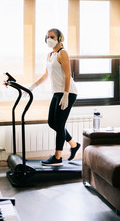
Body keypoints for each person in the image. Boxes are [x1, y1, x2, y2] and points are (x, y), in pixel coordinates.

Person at [28, 28, 80, 166]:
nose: (49, 39)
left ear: (59, 38)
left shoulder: (63, 53)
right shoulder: (50, 54)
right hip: (56, 92)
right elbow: (46, 75)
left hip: (68, 92)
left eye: (52, 36)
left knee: (60, 124)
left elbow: (68, 75)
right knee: (52, 123)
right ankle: (74, 145)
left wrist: (66, 95)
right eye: (47, 37)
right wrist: (32, 86)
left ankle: (57, 157)